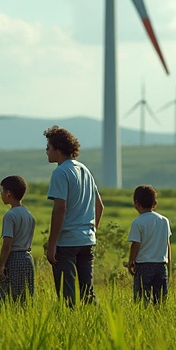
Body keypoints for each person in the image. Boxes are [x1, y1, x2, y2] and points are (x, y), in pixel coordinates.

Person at [43, 126, 103, 307]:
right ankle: (96, 324)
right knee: (88, 293)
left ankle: (69, 325)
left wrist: (52, 243)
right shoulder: (84, 169)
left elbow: (60, 208)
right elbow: (99, 206)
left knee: (67, 294)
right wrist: (92, 230)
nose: (46, 151)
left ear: (58, 149)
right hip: (86, 240)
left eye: (48, 147)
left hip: (67, 242)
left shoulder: (60, 172)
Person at [125, 184, 170, 305]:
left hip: (144, 265)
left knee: (141, 300)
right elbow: (167, 243)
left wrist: (131, 262)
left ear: (136, 203)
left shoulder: (138, 222)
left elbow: (136, 244)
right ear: (155, 203)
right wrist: (168, 262)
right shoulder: (164, 221)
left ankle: (141, 319)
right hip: (161, 265)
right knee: (160, 300)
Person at [0, 175, 35, 303]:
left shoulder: (10, 215)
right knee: (24, 299)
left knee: (3, 299)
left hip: (15, 259)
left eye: (2, 191)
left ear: (8, 194)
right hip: (27, 259)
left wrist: (1, 266)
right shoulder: (29, 215)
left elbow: (7, 244)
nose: (0, 194)